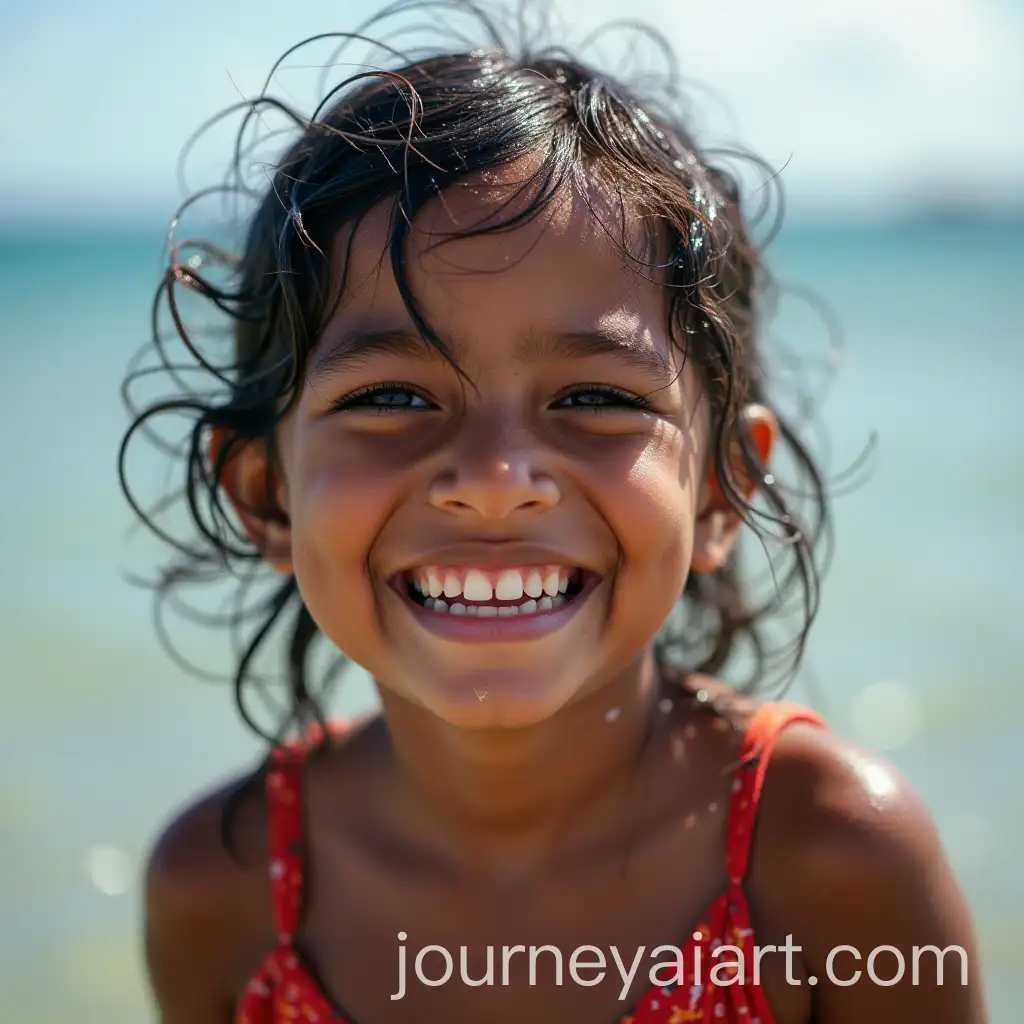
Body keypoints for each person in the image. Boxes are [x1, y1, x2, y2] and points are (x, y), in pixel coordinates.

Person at [125, 3, 985, 1021]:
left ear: (721, 488)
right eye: (391, 396)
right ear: (264, 494)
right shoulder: (221, 894)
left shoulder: (831, 860)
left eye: (594, 396)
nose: (495, 478)